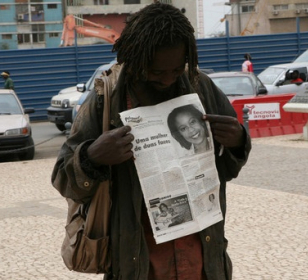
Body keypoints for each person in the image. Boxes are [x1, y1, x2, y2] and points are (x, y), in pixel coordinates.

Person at [51, 2, 251, 280]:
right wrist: (92, 156)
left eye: (176, 69)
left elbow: (228, 170)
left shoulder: (201, 87)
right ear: (133, 59)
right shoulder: (106, 99)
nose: (168, 79)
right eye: (156, 72)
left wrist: (238, 141)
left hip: (204, 265)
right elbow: (64, 179)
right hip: (140, 266)